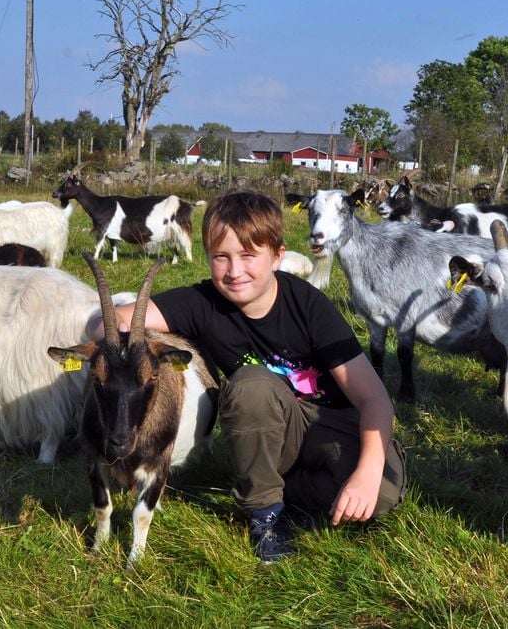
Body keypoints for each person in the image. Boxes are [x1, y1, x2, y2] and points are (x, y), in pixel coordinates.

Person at [85, 189, 406, 564]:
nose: (235, 271)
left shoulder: (309, 305)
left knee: (385, 488)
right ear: (206, 257)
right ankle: (266, 513)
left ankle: (288, 489)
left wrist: (366, 473)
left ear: (278, 257)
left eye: (249, 256)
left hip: (327, 425)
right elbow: (107, 322)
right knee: (251, 383)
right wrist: (106, 332)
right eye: (221, 257)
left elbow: (374, 399)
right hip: (264, 421)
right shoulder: (202, 303)